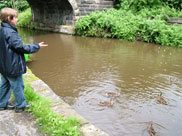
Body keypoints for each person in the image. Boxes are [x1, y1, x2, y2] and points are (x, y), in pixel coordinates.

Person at [0, 8, 48, 112]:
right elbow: (20, 48)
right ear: (9, 18)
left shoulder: (2, 30)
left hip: (3, 65)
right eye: (16, 17)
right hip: (12, 65)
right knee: (18, 85)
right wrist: (36, 46)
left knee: (4, 84)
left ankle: (2, 104)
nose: (17, 19)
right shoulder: (11, 32)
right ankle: (21, 105)